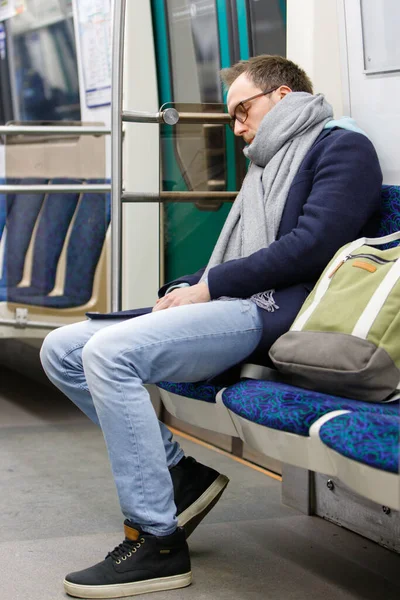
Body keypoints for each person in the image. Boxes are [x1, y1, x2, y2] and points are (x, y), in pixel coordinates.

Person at [40, 55, 382, 598]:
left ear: (285, 98)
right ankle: (182, 478)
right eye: (234, 118)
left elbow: (311, 248)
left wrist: (210, 287)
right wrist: (187, 287)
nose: (239, 128)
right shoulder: (267, 163)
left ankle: (157, 540)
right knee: (61, 348)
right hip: (235, 302)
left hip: (278, 309)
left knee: (108, 354)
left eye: (243, 111)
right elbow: (240, 253)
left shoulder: (342, 148)